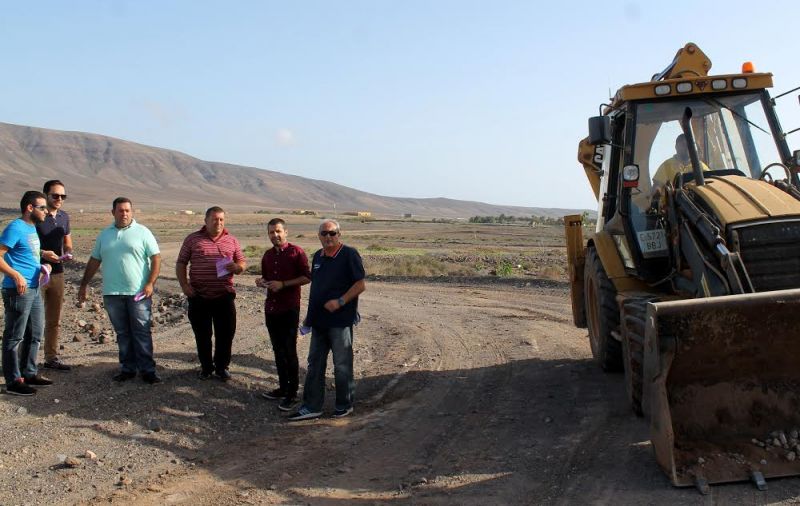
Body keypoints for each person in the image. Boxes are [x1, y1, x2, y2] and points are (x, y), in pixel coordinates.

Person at [77, 197, 162, 384]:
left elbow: (156, 258)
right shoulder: (104, 235)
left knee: (141, 331)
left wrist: (150, 283)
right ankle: (128, 368)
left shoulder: (143, 232)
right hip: (112, 293)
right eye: (120, 210)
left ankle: (148, 370)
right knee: (122, 333)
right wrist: (84, 284)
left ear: (132, 212)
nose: (124, 214)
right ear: (113, 212)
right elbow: (94, 261)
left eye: (127, 210)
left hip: (138, 292)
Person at [288, 219, 365, 421]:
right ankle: (312, 406)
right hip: (319, 321)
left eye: (332, 233)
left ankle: (344, 404)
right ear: (319, 236)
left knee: (341, 364)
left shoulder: (349, 254)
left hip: (340, 321)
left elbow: (360, 285)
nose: (328, 237)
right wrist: (308, 320)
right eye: (324, 233)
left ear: (339, 234)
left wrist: (340, 302)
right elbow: (316, 290)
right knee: (315, 363)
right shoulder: (317, 257)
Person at [176, 206, 246, 381]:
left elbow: (242, 262)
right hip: (198, 296)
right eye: (215, 219)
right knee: (202, 335)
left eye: (222, 219)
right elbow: (181, 263)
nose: (219, 222)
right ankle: (206, 367)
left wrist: (237, 267)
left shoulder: (232, 240)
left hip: (224, 296)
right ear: (206, 221)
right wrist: (184, 285)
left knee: (226, 334)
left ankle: (222, 367)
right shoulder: (193, 239)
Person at [0, 191, 54, 395]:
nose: (46, 212)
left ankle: (29, 372)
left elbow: (23, 251)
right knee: (14, 336)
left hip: (34, 287)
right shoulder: (15, 227)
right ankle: (13, 381)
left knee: (35, 333)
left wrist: (42, 256)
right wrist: (15, 275)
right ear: (29, 208)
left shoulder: (31, 228)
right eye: (42, 208)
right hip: (18, 290)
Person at [256, 218, 311, 411]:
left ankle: (292, 393)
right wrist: (261, 282)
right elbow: (266, 277)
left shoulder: (297, 252)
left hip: (289, 308)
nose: (275, 235)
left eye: (278, 231)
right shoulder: (267, 256)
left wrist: (284, 284)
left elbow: (307, 277)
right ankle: (282, 387)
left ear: (286, 232)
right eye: (271, 232)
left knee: (289, 350)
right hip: (271, 309)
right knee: (277, 350)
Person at [37, 180, 74, 371]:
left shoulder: (64, 217)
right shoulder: (37, 216)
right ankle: (23, 361)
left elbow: (67, 240)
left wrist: (68, 251)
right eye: (56, 195)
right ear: (45, 196)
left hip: (57, 273)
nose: (60, 199)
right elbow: (26, 245)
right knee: (31, 319)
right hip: (36, 273)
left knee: (54, 319)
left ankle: (51, 358)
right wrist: (43, 254)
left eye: (63, 196)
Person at [651, 134, 710, 198]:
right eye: (683, 145)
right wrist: (657, 192)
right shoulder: (666, 165)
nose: (686, 147)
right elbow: (657, 186)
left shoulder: (701, 167)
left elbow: (710, 185)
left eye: (689, 145)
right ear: (676, 147)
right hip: (671, 206)